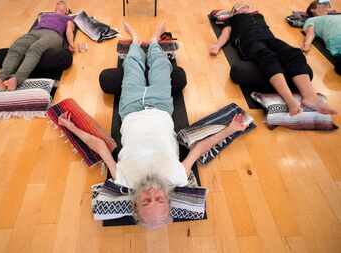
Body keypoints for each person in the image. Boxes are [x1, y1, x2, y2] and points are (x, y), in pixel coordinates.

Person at [58, 22, 249, 229]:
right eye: (159, 199)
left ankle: (136, 38)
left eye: (146, 201)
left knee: (132, 64)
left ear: (135, 203)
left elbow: (100, 146)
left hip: (130, 107)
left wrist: (72, 128)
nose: (151, 194)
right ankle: (156, 40)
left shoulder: (124, 179)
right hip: (160, 105)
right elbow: (200, 148)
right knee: (161, 66)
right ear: (168, 200)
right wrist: (230, 130)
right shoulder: (177, 177)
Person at [210, 2, 337, 116]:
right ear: (235, 11)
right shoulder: (233, 20)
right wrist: (217, 46)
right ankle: (290, 101)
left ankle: (310, 97)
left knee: (295, 53)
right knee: (267, 56)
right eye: (241, 7)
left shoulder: (259, 16)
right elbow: (225, 33)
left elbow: (267, 30)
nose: (246, 7)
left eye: (248, 6)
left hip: (271, 39)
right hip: (248, 41)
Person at [0, 1, 75, 91]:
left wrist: (71, 44)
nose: (59, 4)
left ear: (67, 11)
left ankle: (16, 79)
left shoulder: (68, 18)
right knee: (16, 47)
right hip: (36, 32)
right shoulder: (45, 15)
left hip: (53, 34)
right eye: (57, 4)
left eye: (63, 4)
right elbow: (38, 20)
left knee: (35, 49)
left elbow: (69, 31)